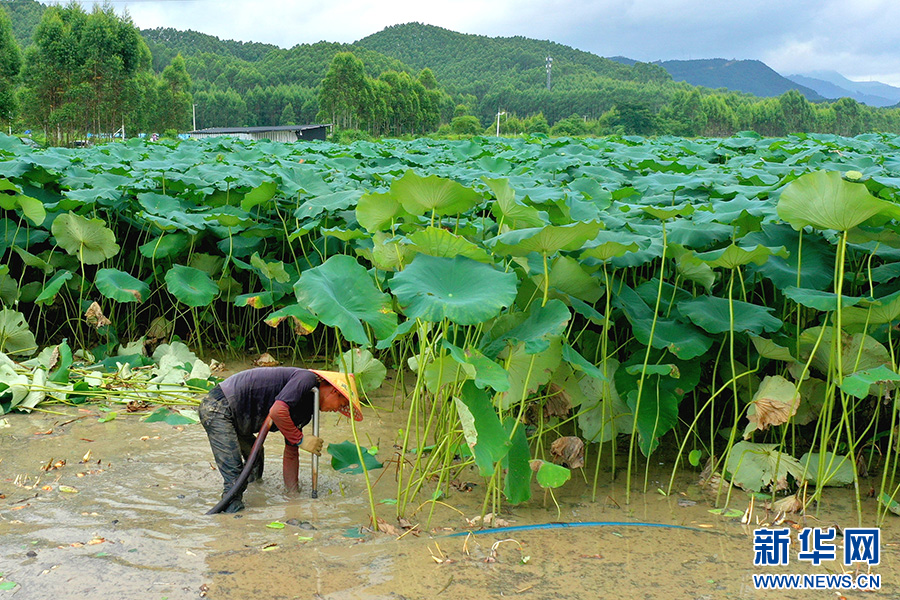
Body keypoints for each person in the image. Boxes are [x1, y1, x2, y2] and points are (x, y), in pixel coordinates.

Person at [199, 367, 362, 513]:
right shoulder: (307, 379)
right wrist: (301, 440)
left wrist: (293, 496)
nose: (337, 410)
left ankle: (253, 494)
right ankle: (231, 519)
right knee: (234, 479)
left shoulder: (306, 409)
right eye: (340, 404)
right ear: (334, 392)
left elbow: (291, 453)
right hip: (219, 408)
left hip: (238, 418)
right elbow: (277, 411)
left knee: (255, 461)